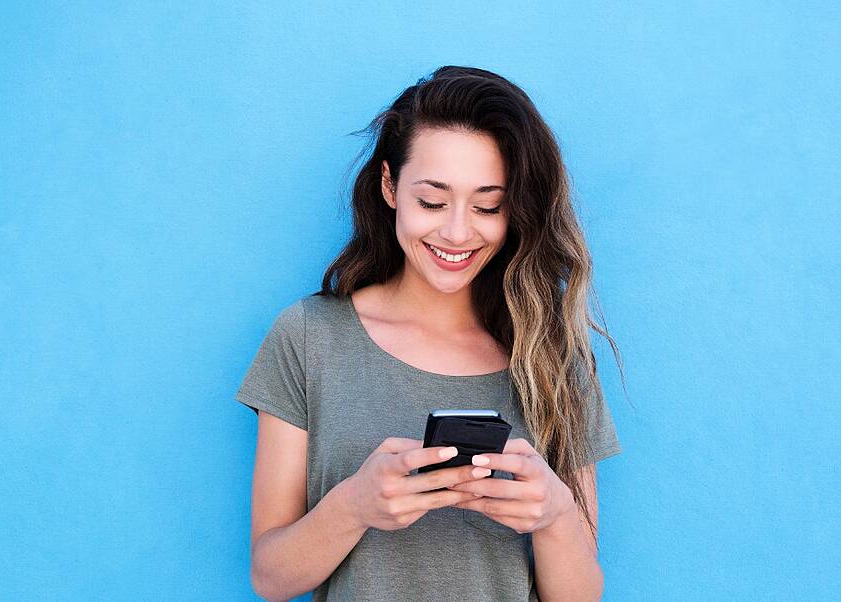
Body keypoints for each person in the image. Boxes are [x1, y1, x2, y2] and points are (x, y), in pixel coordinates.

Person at [235, 65, 623, 601]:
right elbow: (270, 578)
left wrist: (556, 516)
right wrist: (355, 505)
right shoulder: (309, 338)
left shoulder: (552, 356)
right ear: (390, 185)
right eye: (433, 202)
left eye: (488, 205)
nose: (458, 232)